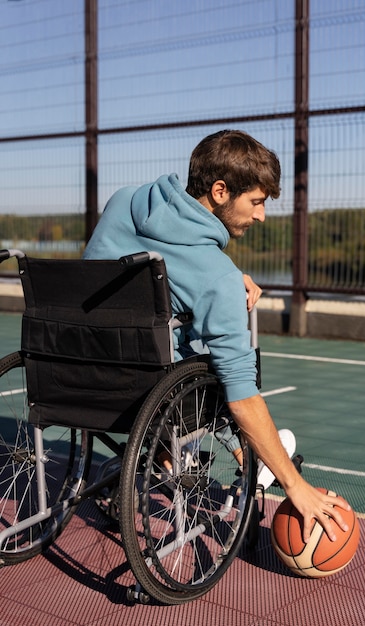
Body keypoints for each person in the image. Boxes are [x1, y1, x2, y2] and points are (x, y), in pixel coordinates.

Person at [83, 129, 350, 543]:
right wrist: (296, 486)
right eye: (257, 202)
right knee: (222, 365)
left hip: (77, 377)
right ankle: (250, 458)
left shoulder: (123, 201)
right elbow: (242, 398)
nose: (261, 216)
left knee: (187, 333)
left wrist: (211, 285)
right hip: (146, 400)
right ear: (221, 191)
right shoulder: (217, 278)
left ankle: (202, 458)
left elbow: (143, 271)